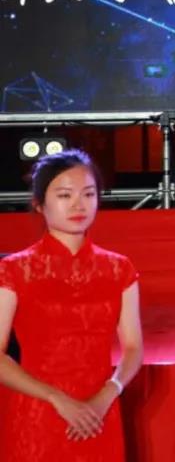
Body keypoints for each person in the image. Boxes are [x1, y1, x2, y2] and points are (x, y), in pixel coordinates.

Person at [0, 150, 143, 460]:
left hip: (98, 413)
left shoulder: (119, 268)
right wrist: (56, 399)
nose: (79, 204)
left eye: (88, 194)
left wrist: (107, 395)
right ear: (39, 204)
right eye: (65, 195)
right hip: (38, 410)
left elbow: (133, 348)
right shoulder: (14, 270)